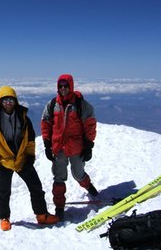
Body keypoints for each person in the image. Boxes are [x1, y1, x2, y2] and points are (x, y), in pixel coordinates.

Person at [0, 86, 59, 231]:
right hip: (5, 161)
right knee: (4, 191)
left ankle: (42, 215)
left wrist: (30, 156)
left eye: (11, 100)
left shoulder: (24, 119)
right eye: (5, 101)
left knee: (36, 187)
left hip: (22, 159)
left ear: (15, 101)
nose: (8, 103)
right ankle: (4, 217)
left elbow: (30, 140)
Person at [41, 74, 98, 220]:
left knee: (78, 173)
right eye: (60, 86)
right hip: (59, 146)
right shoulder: (53, 104)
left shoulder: (80, 104)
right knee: (59, 177)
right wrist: (47, 144)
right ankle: (59, 207)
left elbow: (90, 125)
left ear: (71, 86)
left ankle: (88, 185)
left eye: (66, 86)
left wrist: (89, 146)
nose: (63, 89)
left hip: (76, 147)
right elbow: (46, 123)